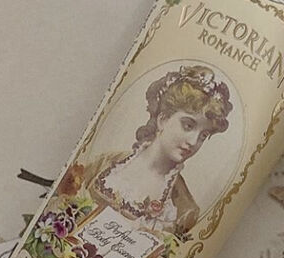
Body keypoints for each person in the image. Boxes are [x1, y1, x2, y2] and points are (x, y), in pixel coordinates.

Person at [64, 65, 232, 234]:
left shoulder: (185, 209)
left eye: (203, 135)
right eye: (188, 126)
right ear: (163, 119)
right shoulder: (105, 163)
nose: (193, 141)